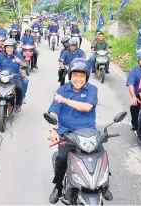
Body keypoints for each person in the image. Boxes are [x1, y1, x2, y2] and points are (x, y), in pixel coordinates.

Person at [47, 60, 113, 204]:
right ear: (70, 75)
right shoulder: (62, 90)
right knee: (61, 159)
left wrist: (65, 100)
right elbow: (53, 111)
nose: (78, 79)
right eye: (75, 75)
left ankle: (104, 186)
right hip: (67, 134)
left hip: (89, 134)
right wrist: (52, 129)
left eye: (81, 76)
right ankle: (58, 187)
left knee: (102, 157)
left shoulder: (92, 90)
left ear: (87, 77)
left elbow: (87, 107)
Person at [0, 39, 27, 113]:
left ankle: (18, 104)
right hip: (1, 76)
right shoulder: (0, 56)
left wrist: (20, 62)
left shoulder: (17, 55)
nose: (9, 49)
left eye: (11, 47)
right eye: (7, 47)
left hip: (14, 76)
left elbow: (24, 65)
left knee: (19, 87)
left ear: (14, 48)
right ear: (5, 48)